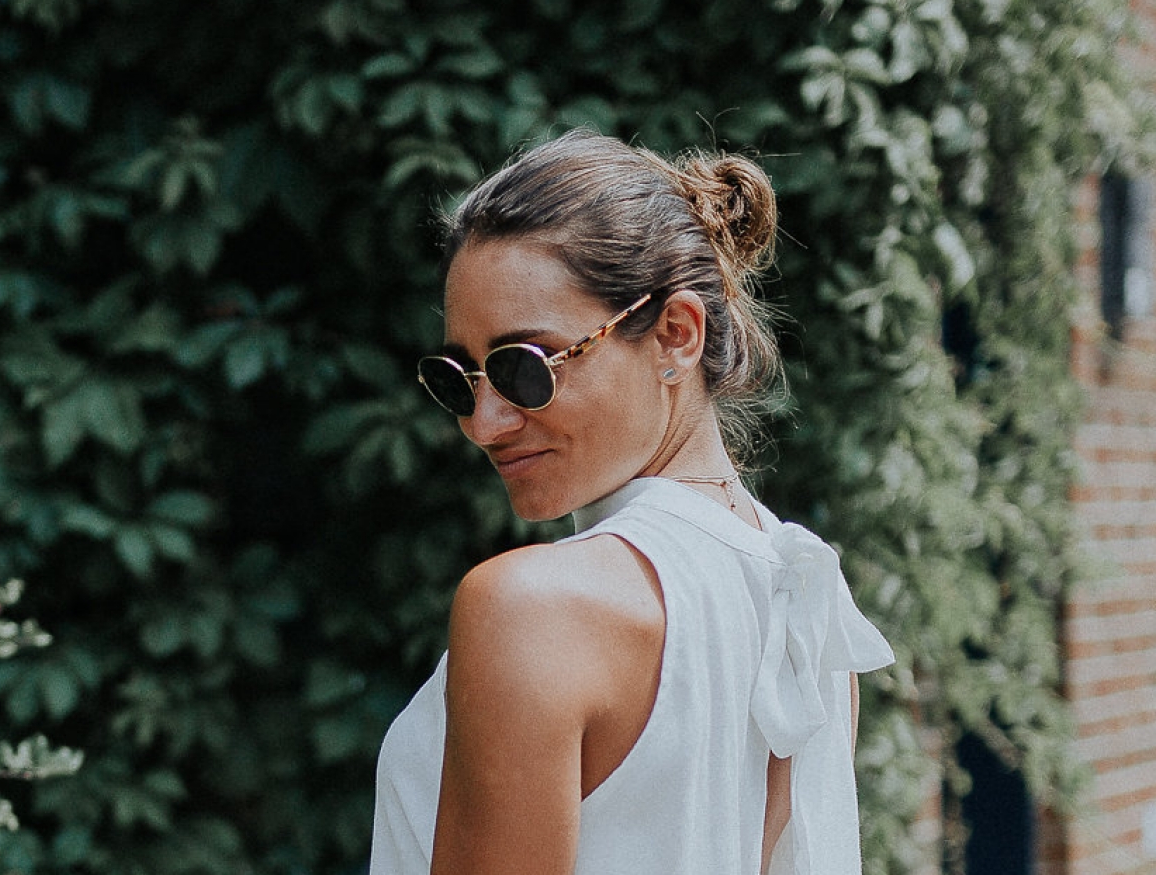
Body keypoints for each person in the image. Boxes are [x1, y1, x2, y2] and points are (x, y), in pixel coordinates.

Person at [369, 129, 895, 875]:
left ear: (676, 335)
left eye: (524, 367)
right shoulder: (808, 617)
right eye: (460, 379)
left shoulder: (529, 608)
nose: (483, 423)